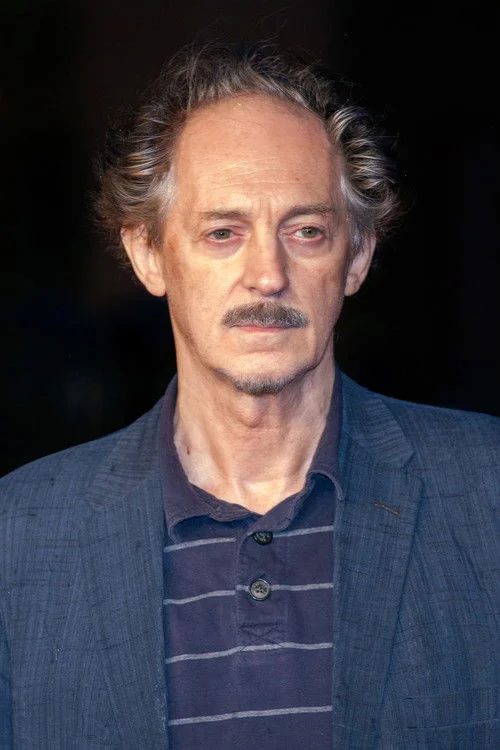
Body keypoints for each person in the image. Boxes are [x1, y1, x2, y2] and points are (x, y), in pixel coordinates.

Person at [0, 42, 498, 749]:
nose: (267, 273)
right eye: (223, 232)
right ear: (148, 254)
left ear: (357, 257)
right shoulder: (19, 538)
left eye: (306, 231)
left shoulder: (486, 493)